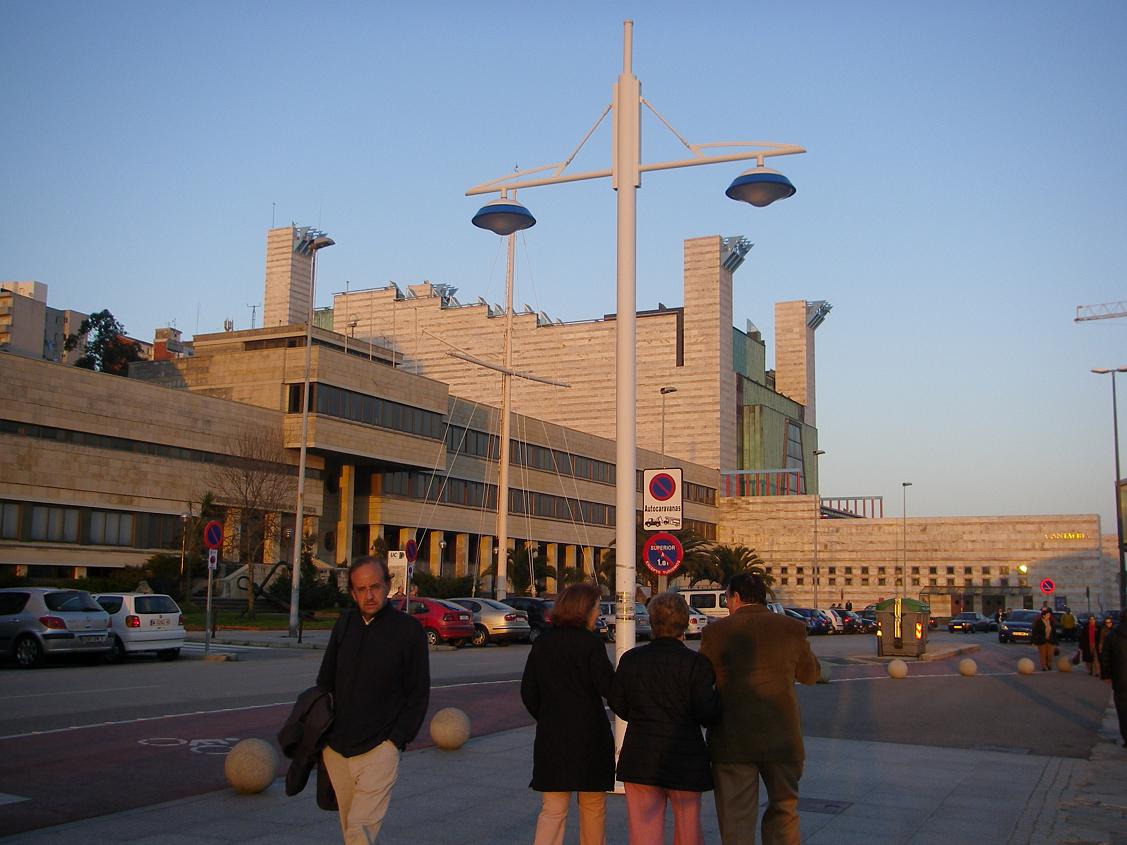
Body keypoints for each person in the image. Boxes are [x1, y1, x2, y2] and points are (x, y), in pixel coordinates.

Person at [316, 556, 430, 844]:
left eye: (375, 587)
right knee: (350, 827)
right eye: (361, 589)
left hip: (379, 749)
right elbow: (324, 680)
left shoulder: (408, 631)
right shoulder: (345, 624)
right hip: (337, 749)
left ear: (388, 586)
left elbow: (418, 691)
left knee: (360, 830)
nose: (369, 595)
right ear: (353, 592)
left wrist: (395, 741)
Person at [700, 572, 820, 845]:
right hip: (783, 739)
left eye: (727, 598)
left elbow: (702, 681)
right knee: (784, 810)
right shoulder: (792, 628)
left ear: (737, 597)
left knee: (736, 819)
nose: (727, 605)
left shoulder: (716, 633)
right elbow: (810, 675)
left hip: (732, 741)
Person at [609, 592, 721, 845]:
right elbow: (708, 713)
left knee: (643, 831)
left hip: (641, 756)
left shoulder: (631, 660)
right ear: (684, 623)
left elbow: (618, 703)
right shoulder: (697, 664)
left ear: (652, 622)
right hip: (686, 757)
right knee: (688, 829)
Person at [521, 582, 615, 845]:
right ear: (584, 610)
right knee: (593, 807)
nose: (599, 613)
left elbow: (528, 691)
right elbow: (608, 687)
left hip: (553, 737)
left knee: (552, 809)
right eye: (597, 607)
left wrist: (547, 715)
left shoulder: (543, 643)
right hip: (590, 736)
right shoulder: (591, 644)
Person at [1099, 614, 1127, 747]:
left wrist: (1106, 675)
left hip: (1120, 678)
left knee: (1122, 710)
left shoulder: (1113, 635)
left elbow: (1105, 657)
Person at [1031, 606, 1058, 671]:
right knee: (1043, 654)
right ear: (1043, 615)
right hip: (1042, 640)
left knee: (1050, 655)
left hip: (1050, 641)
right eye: (1048, 615)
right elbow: (1035, 632)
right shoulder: (1039, 622)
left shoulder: (1051, 622)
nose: (1049, 616)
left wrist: (1056, 642)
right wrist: (1034, 640)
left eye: (1049, 615)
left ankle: (1049, 664)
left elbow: (1054, 632)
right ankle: (1044, 666)